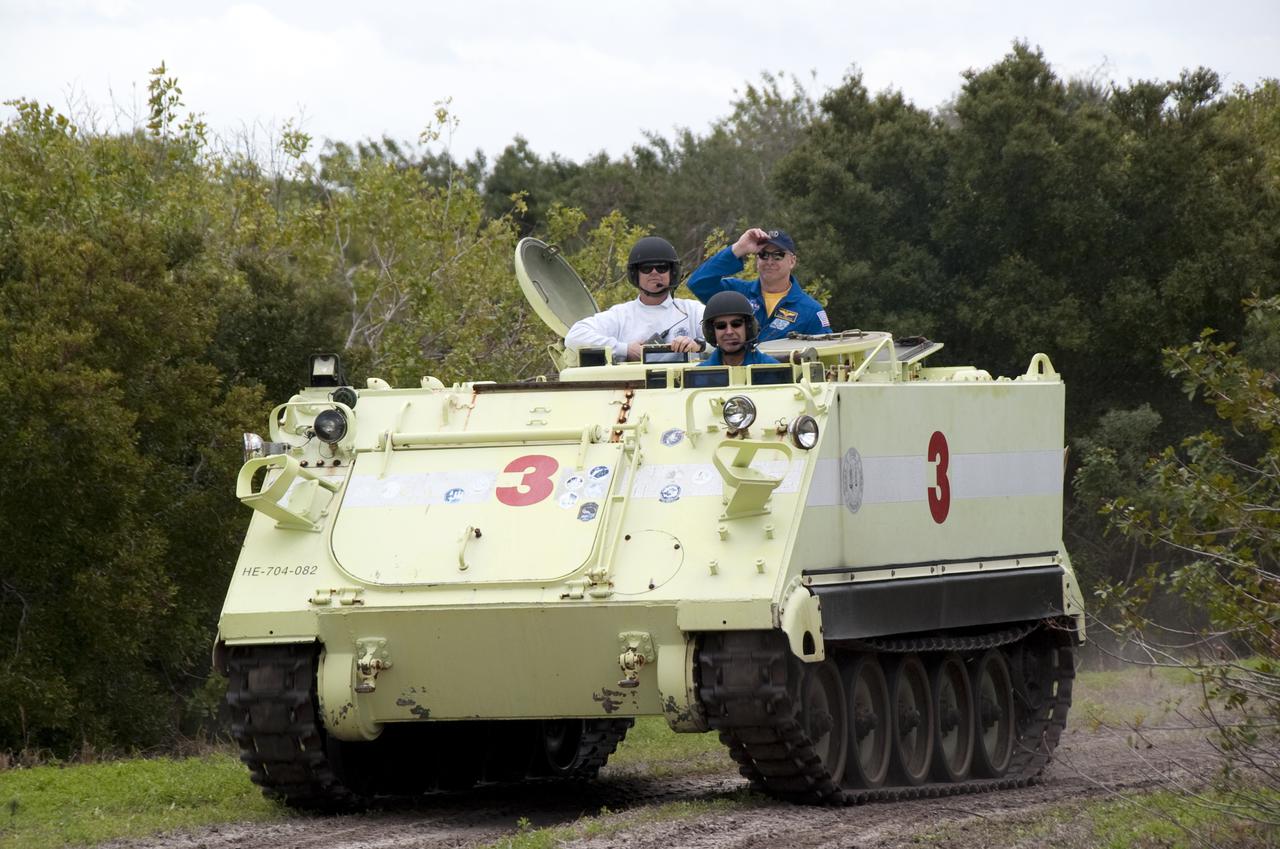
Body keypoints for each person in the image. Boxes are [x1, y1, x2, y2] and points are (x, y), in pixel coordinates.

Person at [565, 236, 706, 361]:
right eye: (646, 268)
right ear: (635, 274)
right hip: (633, 388)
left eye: (662, 267)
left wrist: (698, 345)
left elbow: (724, 337)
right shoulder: (621, 315)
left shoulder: (691, 311)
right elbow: (575, 336)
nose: (654, 272)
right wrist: (624, 349)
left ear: (672, 272)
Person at [687, 228, 831, 342]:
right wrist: (739, 248)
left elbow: (825, 356)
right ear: (757, 260)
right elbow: (698, 283)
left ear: (792, 261)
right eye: (763, 255)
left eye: (778, 255)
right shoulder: (737, 293)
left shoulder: (810, 311)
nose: (770, 261)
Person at [698, 291, 780, 367]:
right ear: (711, 332)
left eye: (736, 324)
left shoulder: (771, 368)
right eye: (721, 326)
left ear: (749, 328)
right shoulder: (699, 373)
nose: (729, 332)